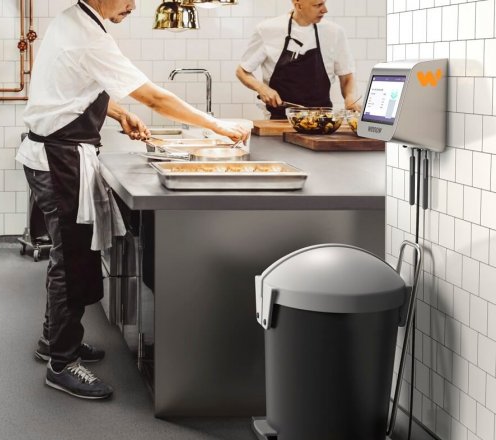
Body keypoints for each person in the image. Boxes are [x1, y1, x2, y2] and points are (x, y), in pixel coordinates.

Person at [18, 0, 249, 400]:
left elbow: (76, 88)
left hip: (54, 155)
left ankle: (54, 342)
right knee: (70, 260)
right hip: (59, 160)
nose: (133, 4)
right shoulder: (88, 34)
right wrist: (216, 125)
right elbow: (155, 98)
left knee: (64, 256)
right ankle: (61, 362)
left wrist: (118, 113)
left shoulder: (76, 21)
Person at [235, 0, 359, 119]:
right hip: (278, 120)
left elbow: (346, 76)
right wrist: (262, 89)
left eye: (324, 3)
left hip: (321, 120)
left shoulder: (334, 32)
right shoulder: (267, 29)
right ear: (298, 6)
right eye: (318, 5)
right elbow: (242, 71)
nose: (325, 10)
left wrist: (350, 98)